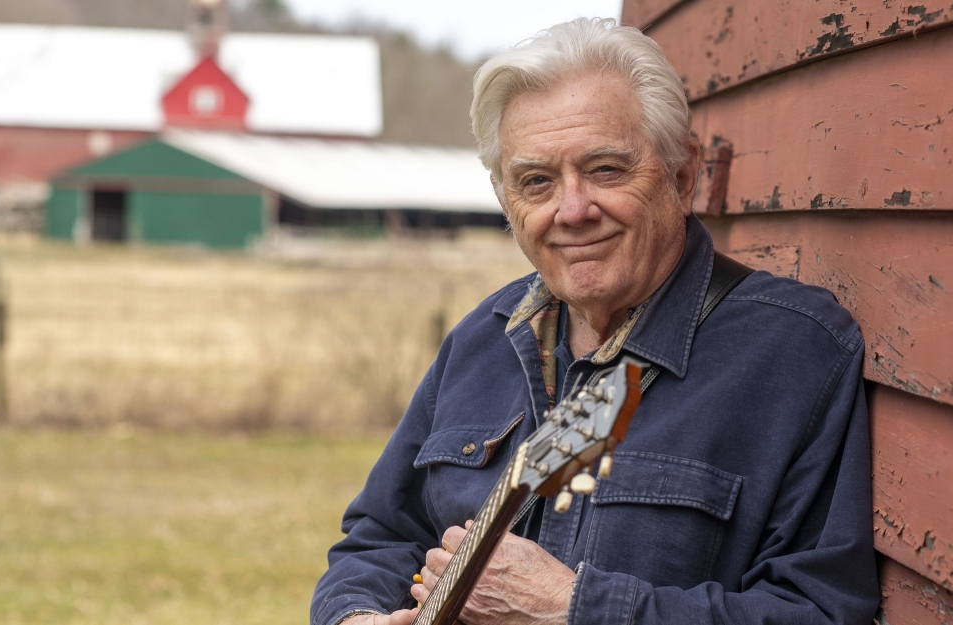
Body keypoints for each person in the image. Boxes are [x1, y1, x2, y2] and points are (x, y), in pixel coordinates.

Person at [312, 17, 878, 625]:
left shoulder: (793, 352)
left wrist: (573, 609)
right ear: (507, 203)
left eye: (606, 169)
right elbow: (380, 536)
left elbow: (822, 613)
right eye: (536, 182)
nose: (573, 210)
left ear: (682, 176)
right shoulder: (485, 337)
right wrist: (356, 614)